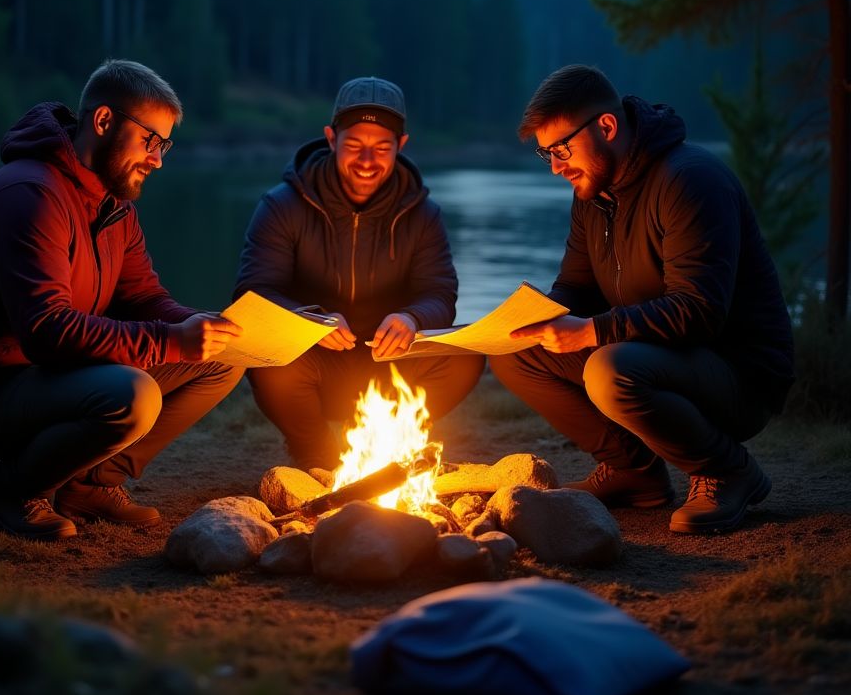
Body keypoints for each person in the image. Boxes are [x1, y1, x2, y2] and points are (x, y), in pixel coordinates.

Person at [0, 60, 244, 540]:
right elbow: (47, 332)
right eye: (150, 141)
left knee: (225, 358)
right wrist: (174, 340)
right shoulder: (30, 195)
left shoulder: (113, 205)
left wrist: (210, 326)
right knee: (134, 396)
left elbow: (143, 297)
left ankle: (90, 485)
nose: (157, 160)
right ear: (104, 121)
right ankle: (8, 495)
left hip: (49, 376)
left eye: (163, 145)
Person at [489, 64, 794, 534]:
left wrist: (590, 331)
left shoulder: (690, 181)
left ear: (607, 127)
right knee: (515, 350)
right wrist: (531, 318)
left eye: (562, 149)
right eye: (546, 153)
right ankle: (633, 471)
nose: (555, 166)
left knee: (607, 369)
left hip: (737, 374)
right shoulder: (593, 194)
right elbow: (576, 288)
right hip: (658, 354)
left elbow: (699, 312)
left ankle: (727, 470)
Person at [233, 76, 484, 472]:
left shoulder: (422, 215)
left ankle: (389, 444)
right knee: (268, 359)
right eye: (354, 145)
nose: (367, 161)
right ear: (331, 139)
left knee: (465, 356)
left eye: (382, 148)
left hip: (391, 362)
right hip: (315, 366)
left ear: (401, 145)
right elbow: (253, 294)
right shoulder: (282, 206)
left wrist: (411, 318)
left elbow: (439, 293)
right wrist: (310, 321)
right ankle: (314, 453)